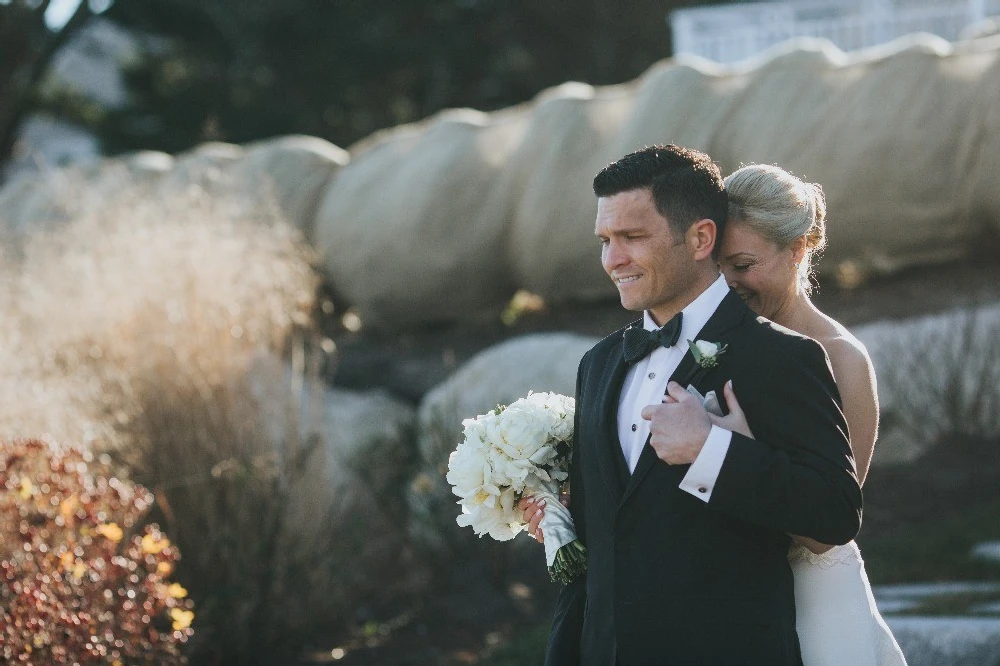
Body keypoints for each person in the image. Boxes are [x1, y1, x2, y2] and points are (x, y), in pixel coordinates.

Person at [521, 145, 862, 665]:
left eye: (632, 238)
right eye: (605, 241)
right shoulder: (599, 363)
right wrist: (561, 522)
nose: (613, 260)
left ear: (702, 238)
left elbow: (835, 516)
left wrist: (712, 450)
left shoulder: (782, 357)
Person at [714, 163, 907, 665]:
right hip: (730, 603)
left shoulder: (841, 357)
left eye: (742, 264)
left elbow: (826, 527)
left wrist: (732, 451)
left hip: (814, 606)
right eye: (717, 266)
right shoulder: (717, 343)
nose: (727, 282)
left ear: (798, 249)